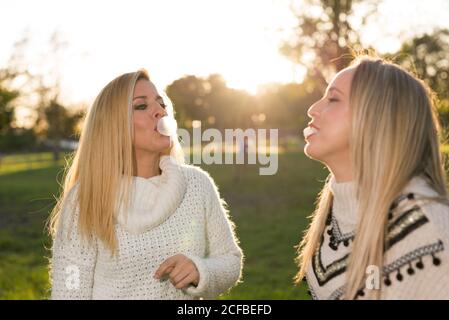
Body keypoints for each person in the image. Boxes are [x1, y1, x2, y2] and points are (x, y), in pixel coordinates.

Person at [48, 69, 243, 299]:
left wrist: (201, 270)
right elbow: (70, 288)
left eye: (162, 104)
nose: (160, 112)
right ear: (112, 125)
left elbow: (229, 259)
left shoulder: (197, 184)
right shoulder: (86, 197)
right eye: (141, 106)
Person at [297, 56, 449, 299]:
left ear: (378, 118)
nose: (312, 109)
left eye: (333, 98)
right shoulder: (335, 213)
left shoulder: (434, 232)